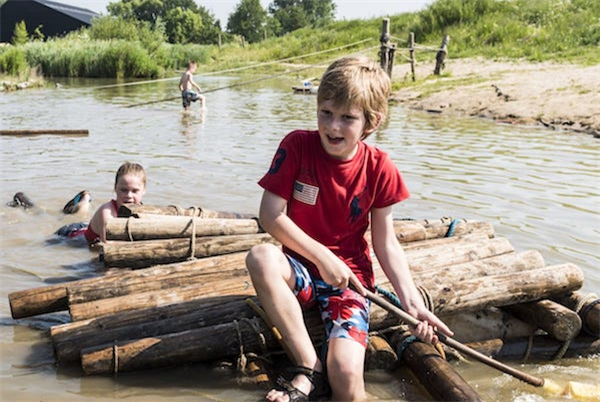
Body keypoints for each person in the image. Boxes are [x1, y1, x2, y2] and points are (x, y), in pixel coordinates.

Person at [245, 56, 453, 402]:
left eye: (347, 118)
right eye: (326, 112)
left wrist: (411, 302)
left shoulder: (380, 167)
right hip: (300, 275)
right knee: (261, 256)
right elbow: (270, 215)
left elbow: (386, 244)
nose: (333, 126)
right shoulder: (296, 145)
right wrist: (323, 257)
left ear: (372, 122)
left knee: (345, 374)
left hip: (350, 283)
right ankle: (307, 366)